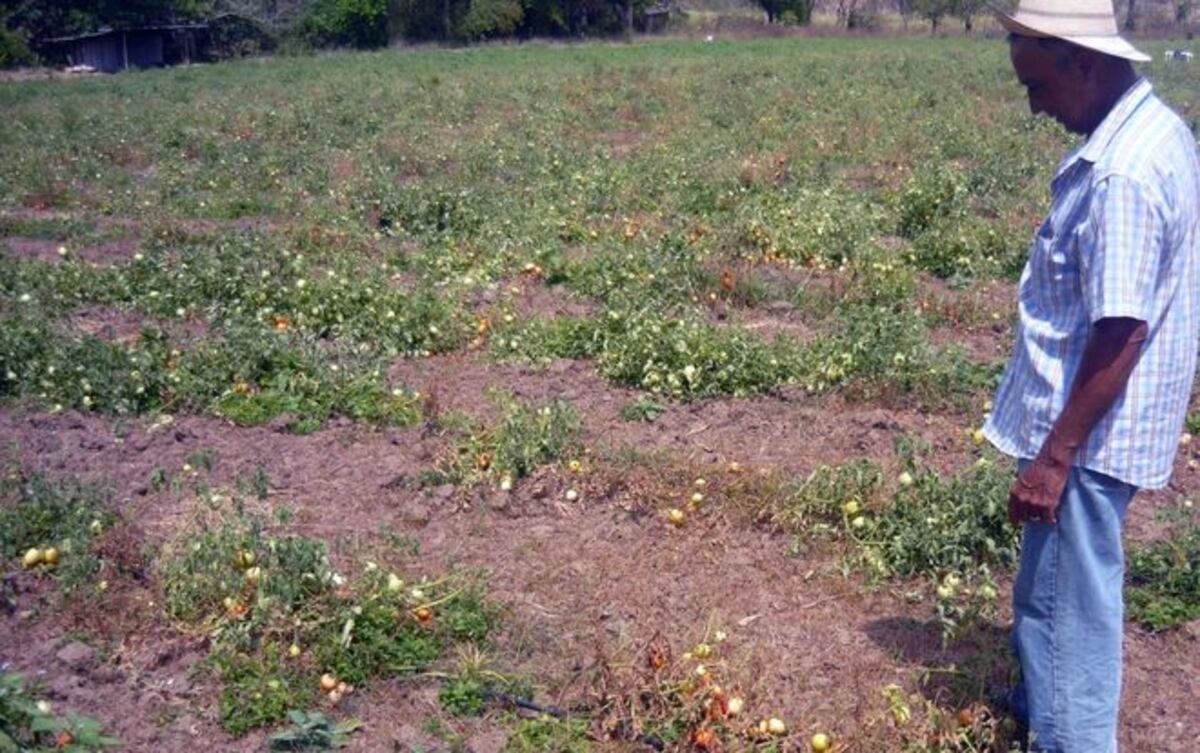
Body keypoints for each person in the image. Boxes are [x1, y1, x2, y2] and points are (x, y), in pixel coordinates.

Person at [983, 1, 1200, 751]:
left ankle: (1069, 735)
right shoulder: (1157, 130)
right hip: (1097, 427)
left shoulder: (1120, 175)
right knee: (1053, 588)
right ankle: (1046, 702)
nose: (1035, 107)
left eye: (1038, 86)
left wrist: (1054, 458)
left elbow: (1121, 332)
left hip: (1090, 436)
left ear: (1084, 62)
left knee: (1068, 608)